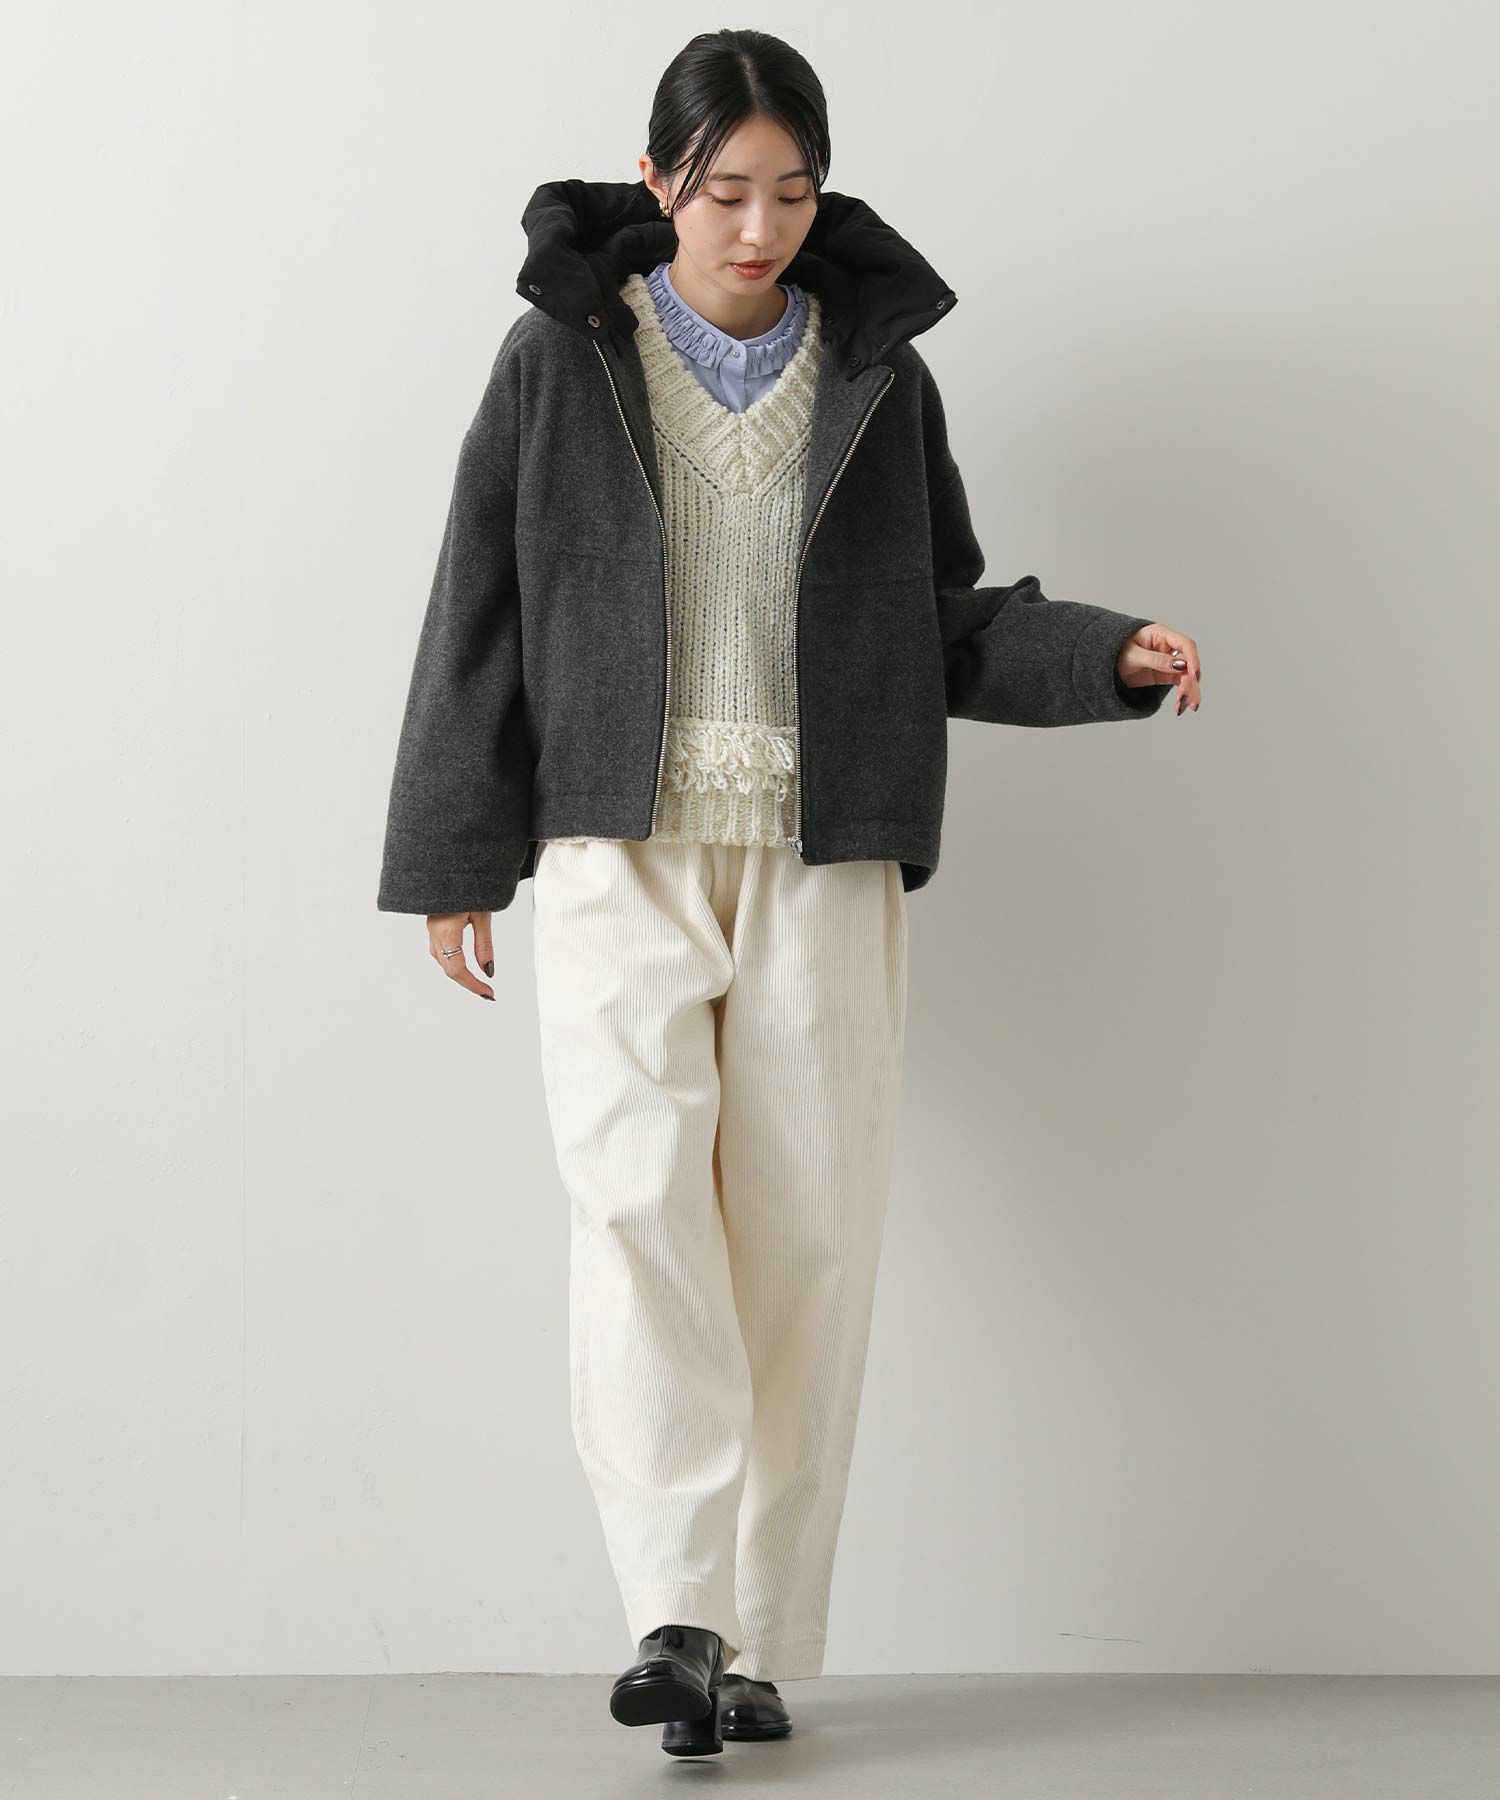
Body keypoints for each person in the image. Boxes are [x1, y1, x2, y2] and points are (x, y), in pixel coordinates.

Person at [377, 27, 1201, 1761]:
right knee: (636, 1214)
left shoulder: (877, 372)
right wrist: (456, 855)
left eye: (793, 192)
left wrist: (1101, 655)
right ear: (658, 178)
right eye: (725, 191)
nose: (758, 228)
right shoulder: (561, 357)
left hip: (827, 855)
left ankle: (752, 1638)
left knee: (808, 1239)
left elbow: (944, 617)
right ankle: (674, 1613)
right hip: (617, 848)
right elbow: (478, 606)